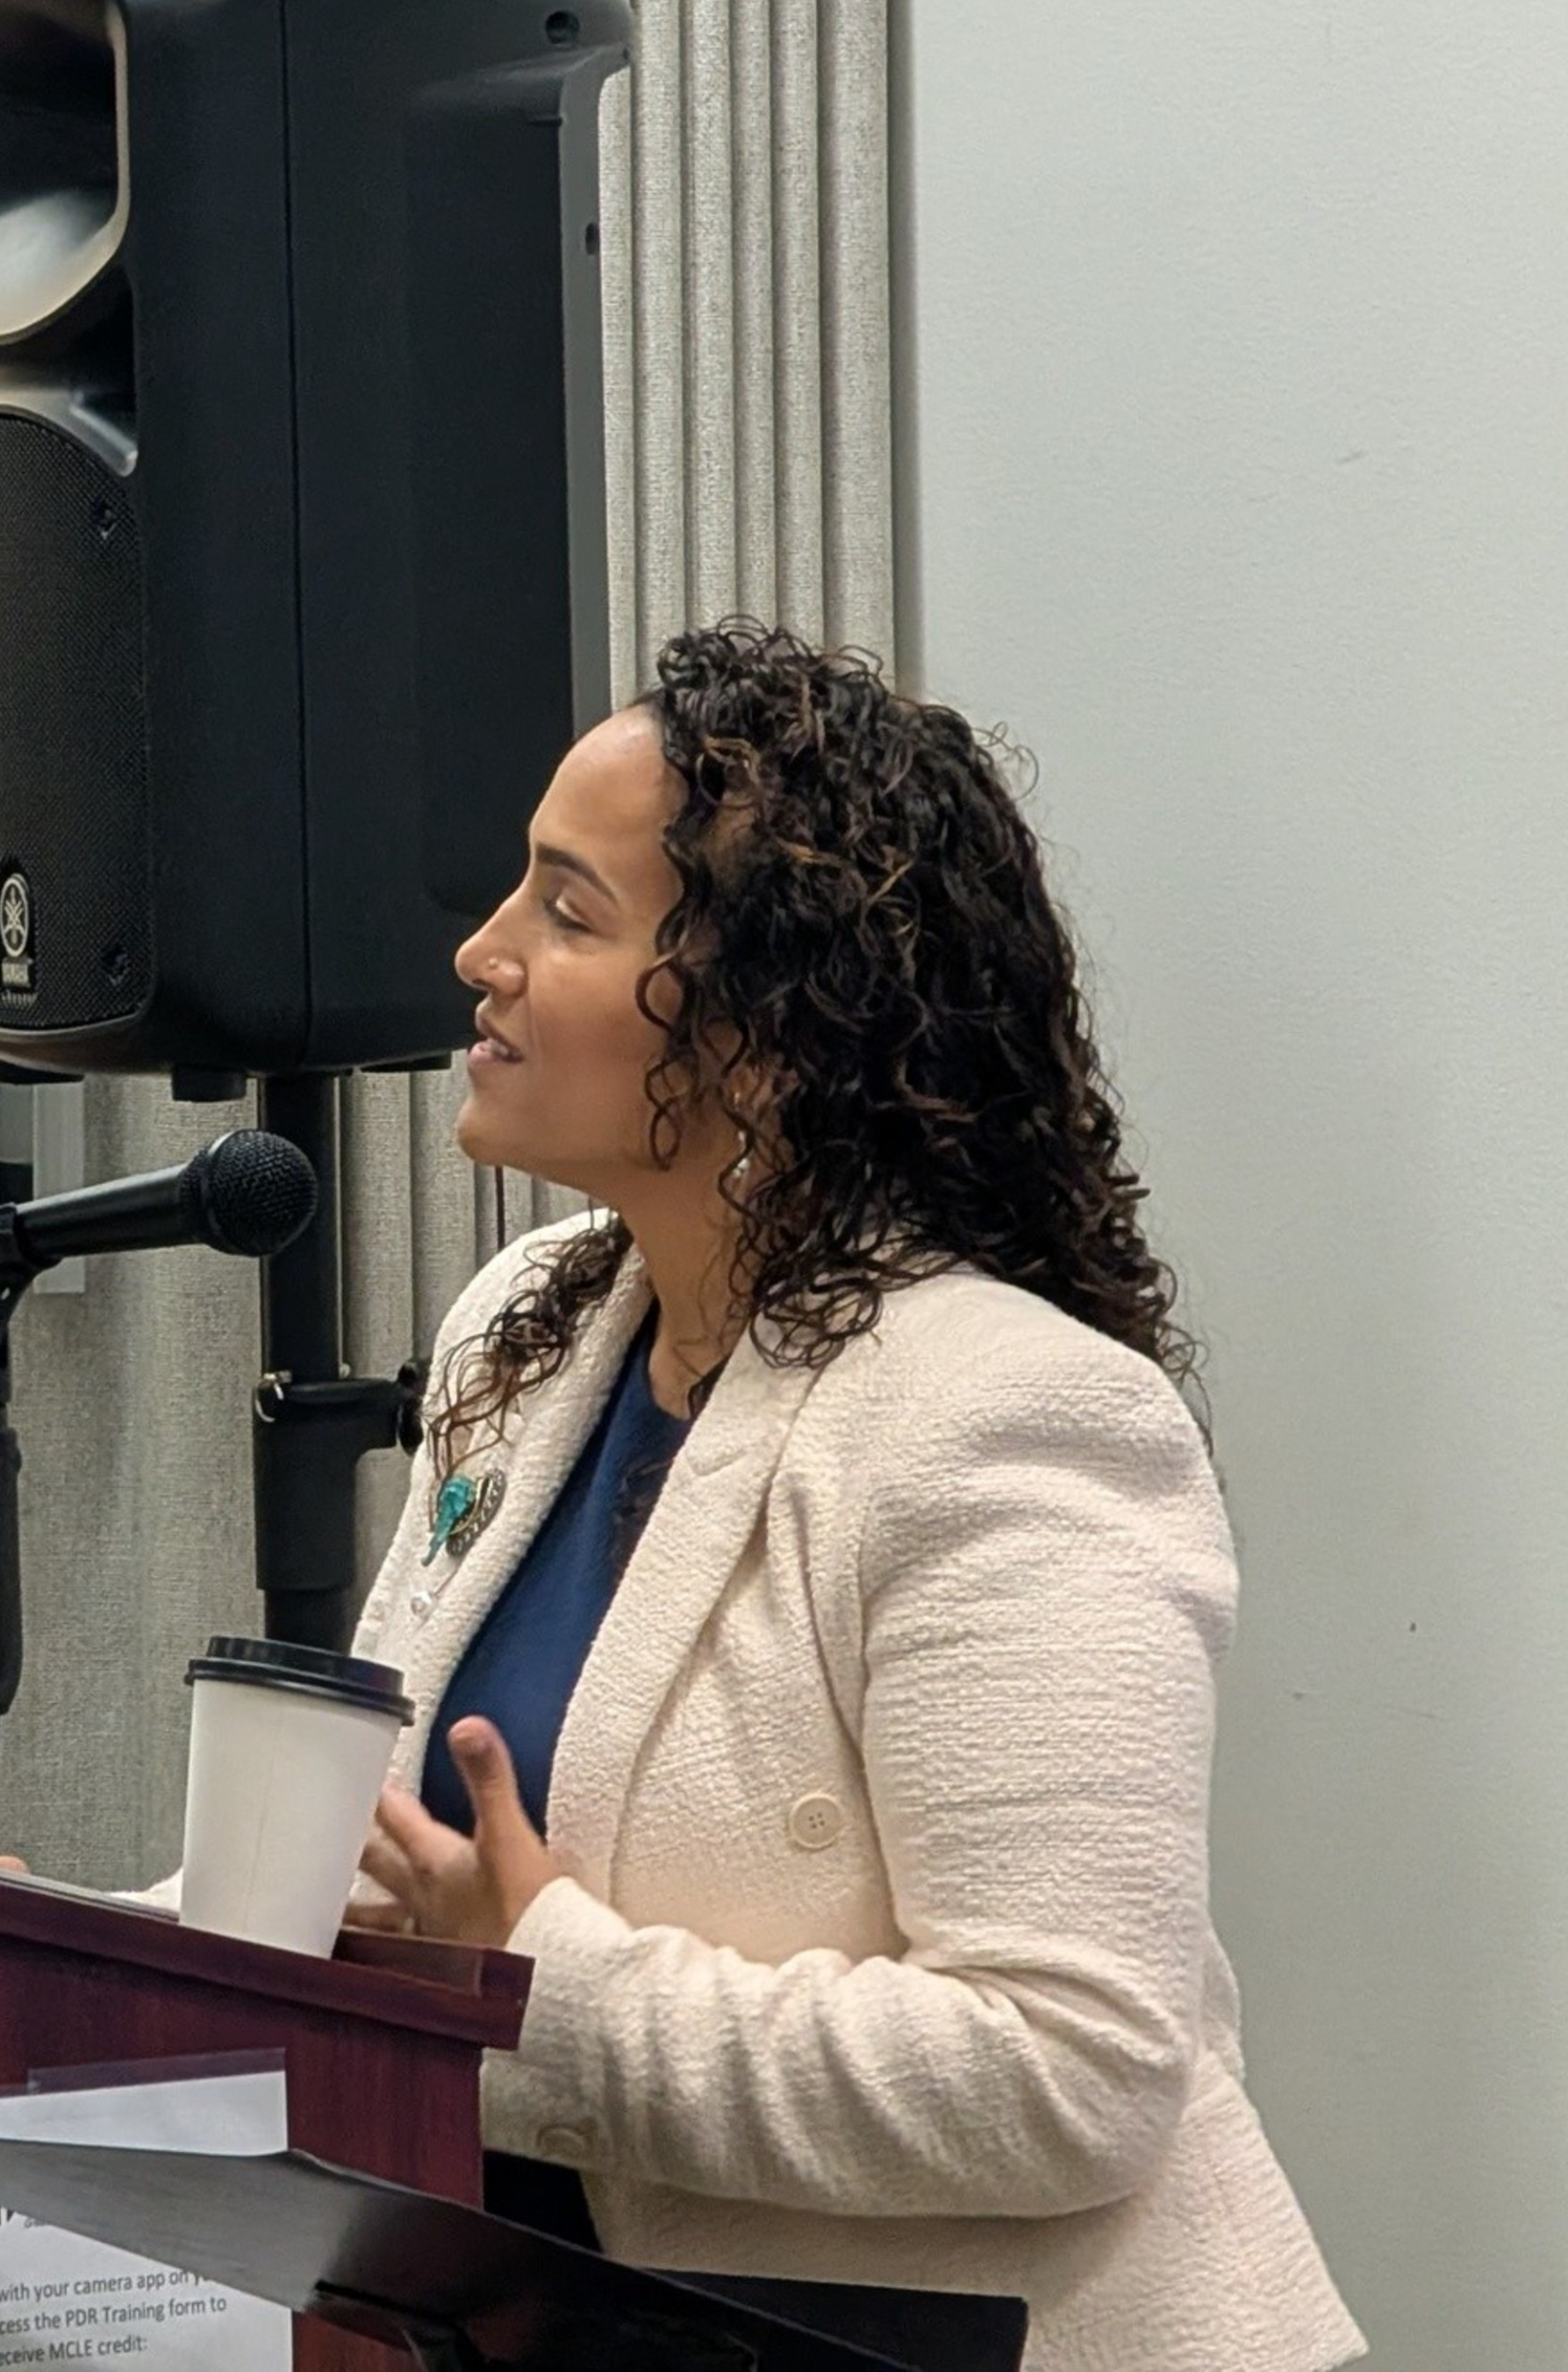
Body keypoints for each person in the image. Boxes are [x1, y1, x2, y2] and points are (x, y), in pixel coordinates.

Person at [305, 622, 1355, 2368]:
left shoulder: (1006, 1417)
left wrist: (544, 1996)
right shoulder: (519, 1336)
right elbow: (387, 1871)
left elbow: (1070, 2069)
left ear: (770, 1038)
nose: (479, 953)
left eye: (567, 912)